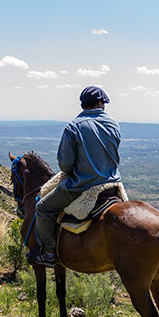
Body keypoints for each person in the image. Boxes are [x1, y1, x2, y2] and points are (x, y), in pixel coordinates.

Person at [28, 86, 122, 267]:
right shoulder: (113, 123)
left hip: (83, 186)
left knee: (43, 208)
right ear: (101, 103)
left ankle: (48, 253)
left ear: (82, 104)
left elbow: (65, 164)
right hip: (112, 184)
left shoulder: (73, 127)